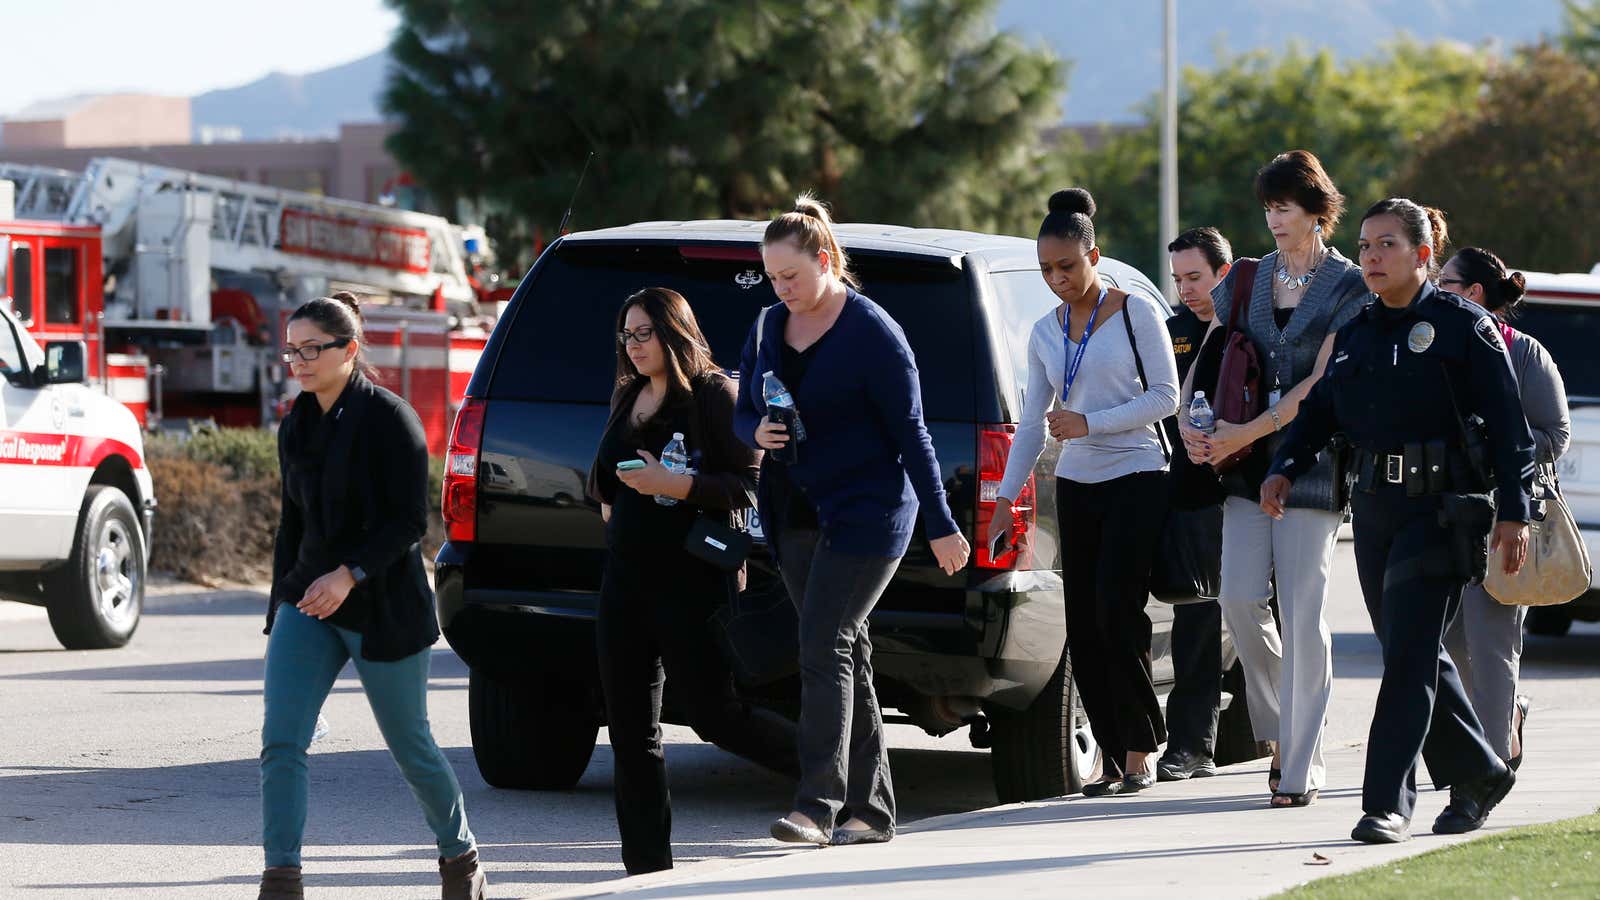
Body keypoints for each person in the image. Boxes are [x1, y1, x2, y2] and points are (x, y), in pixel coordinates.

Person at [1263, 199, 1533, 844]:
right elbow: (1321, 409)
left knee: (1407, 662)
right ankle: (1479, 772)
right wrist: (1285, 464)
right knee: (1413, 653)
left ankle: (1385, 802)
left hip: (1441, 512)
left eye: (1387, 245)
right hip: (1377, 511)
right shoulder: (1357, 330)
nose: (1372, 257)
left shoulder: (1464, 327)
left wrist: (1515, 514)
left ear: (1422, 254)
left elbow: (1510, 428)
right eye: (1364, 246)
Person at [735, 194, 970, 847]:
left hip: (868, 515)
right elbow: (740, 406)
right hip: (793, 511)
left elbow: (913, 434)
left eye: (794, 277)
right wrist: (753, 427)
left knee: (822, 643)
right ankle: (874, 812)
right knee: (847, 652)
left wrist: (941, 521)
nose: (783, 290)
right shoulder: (765, 327)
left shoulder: (873, 333)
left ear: (827, 259)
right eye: (773, 279)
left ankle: (816, 805)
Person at [260, 292, 486, 900]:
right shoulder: (296, 421)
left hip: (383, 605)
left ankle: (460, 858)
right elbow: (292, 524)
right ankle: (281, 879)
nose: (299, 361)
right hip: (308, 602)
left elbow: (410, 522)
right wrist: (280, 606)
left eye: (312, 349)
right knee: (282, 741)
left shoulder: (391, 418)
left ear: (349, 350)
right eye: (292, 350)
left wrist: (349, 575)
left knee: (410, 746)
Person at [585, 287, 799, 874]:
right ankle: (646, 871)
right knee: (631, 732)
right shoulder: (629, 393)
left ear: (673, 331)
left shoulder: (711, 395)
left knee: (715, 714)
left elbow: (747, 484)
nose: (633, 346)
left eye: (644, 333)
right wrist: (611, 495)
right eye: (626, 335)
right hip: (624, 584)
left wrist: (675, 487)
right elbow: (602, 473)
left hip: (690, 583)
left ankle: (829, 775)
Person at [1178, 150, 1367, 808]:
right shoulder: (1249, 277)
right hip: (1243, 468)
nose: (1274, 219)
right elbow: (1213, 350)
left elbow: (1321, 384)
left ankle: (1300, 765)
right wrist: (1190, 419)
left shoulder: (1348, 285)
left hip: (1311, 466)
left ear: (1318, 211)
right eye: (1268, 208)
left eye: (1284, 208)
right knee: (1236, 599)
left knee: (1304, 609)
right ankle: (1286, 728)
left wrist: (1246, 431)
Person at [993, 188, 1180, 796]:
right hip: (1077, 482)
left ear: (1093, 255)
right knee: (1084, 625)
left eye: (1067, 266)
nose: (1057, 279)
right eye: (1047, 270)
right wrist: (1003, 497)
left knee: (1117, 616)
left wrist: (1090, 423)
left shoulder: (1135, 313)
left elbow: (1166, 398)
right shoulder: (1045, 331)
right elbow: (1030, 421)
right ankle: (1108, 754)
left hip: (1136, 475)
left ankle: (1140, 751)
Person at [1439, 248, 1569, 772]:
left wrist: (1487, 442)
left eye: (1445, 282)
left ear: (1473, 293)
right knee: (1448, 640)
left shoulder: (1524, 352)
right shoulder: (1434, 345)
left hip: (1504, 514)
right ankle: (1504, 716)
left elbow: (1555, 435)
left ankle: (1489, 765)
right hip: (1443, 511)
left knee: (1491, 640)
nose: (1434, 288)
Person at [1157, 227, 1232, 781]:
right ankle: (1189, 745)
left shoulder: (1249, 329)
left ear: (1223, 273)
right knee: (1196, 618)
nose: (1185, 289)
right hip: (1187, 494)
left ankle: (1286, 737)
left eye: (1195, 277)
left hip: (1250, 494)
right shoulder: (1169, 332)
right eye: (1179, 278)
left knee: (1265, 621)